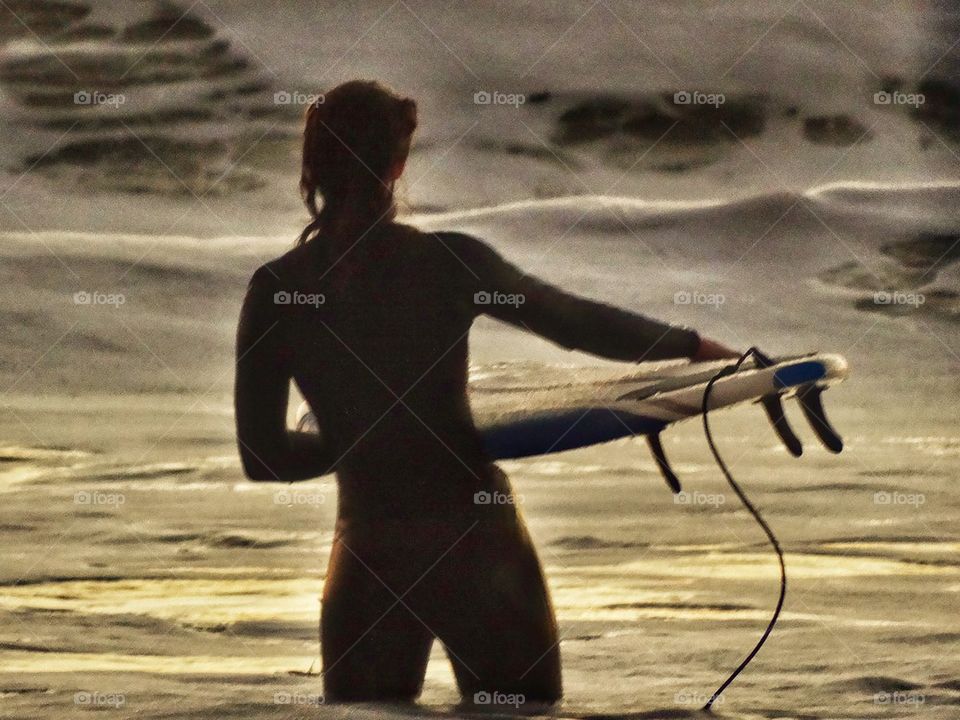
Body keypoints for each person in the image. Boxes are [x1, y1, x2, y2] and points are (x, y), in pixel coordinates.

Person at [234, 80, 739, 705]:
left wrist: (362, 444)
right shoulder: (450, 263)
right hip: (476, 545)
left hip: (370, 553)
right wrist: (694, 347)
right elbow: (571, 321)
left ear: (313, 167)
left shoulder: (277, 288)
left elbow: (263, 458)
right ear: (397, 164)